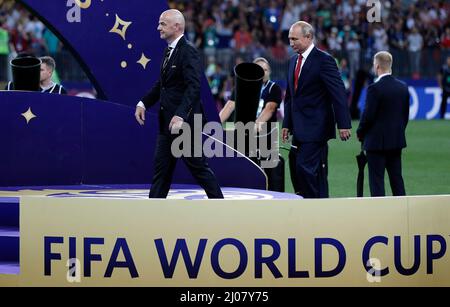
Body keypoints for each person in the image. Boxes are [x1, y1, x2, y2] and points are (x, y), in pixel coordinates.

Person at [135, 9, 223, 199]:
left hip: (186, 125)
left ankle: (220, 206)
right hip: (167, 124)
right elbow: (162, 85)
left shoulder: (188, 51)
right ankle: (152, 215)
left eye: (163, 24)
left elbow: (194, 87)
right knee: (161, 172)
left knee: (199, 169)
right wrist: (143, 103)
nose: (158, 27)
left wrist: (181, 115)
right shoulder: (169, 51)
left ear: (177, 26)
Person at [282, 21, 352, 199]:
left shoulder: (324, 60)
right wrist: (286, 123)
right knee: (310, 170)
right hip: (298, 128)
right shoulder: (292, 61)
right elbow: (290, 96)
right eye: (289, 39)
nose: (291, 43)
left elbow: (338, 93)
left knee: (303, 168)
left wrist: (343, 124)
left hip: (316, 127)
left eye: (294, 39)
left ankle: (311, 208)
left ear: (308, 37)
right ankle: (320, 207)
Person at [219, 57, 283, 192]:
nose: (263, 73)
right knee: (242, 168)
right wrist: (215, 124)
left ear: (270, 72)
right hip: (244, 135)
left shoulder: (274, 88)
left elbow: (270, 108)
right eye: (260, 70)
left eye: (266, 70)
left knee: (269, 171)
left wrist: (257, 124)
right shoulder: (242, 87)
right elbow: (229, 106)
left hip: (265, 135)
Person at [357, 51, 409, 197]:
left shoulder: (374, 88)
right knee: (397, 179)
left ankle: (381, 216)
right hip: (396, 141)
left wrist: (360, 133)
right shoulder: (403, 87)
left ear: (377, 66)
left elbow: (368, 116)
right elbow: (404, 116)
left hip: (376, 143)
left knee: (377, 181)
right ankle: (403, 213)